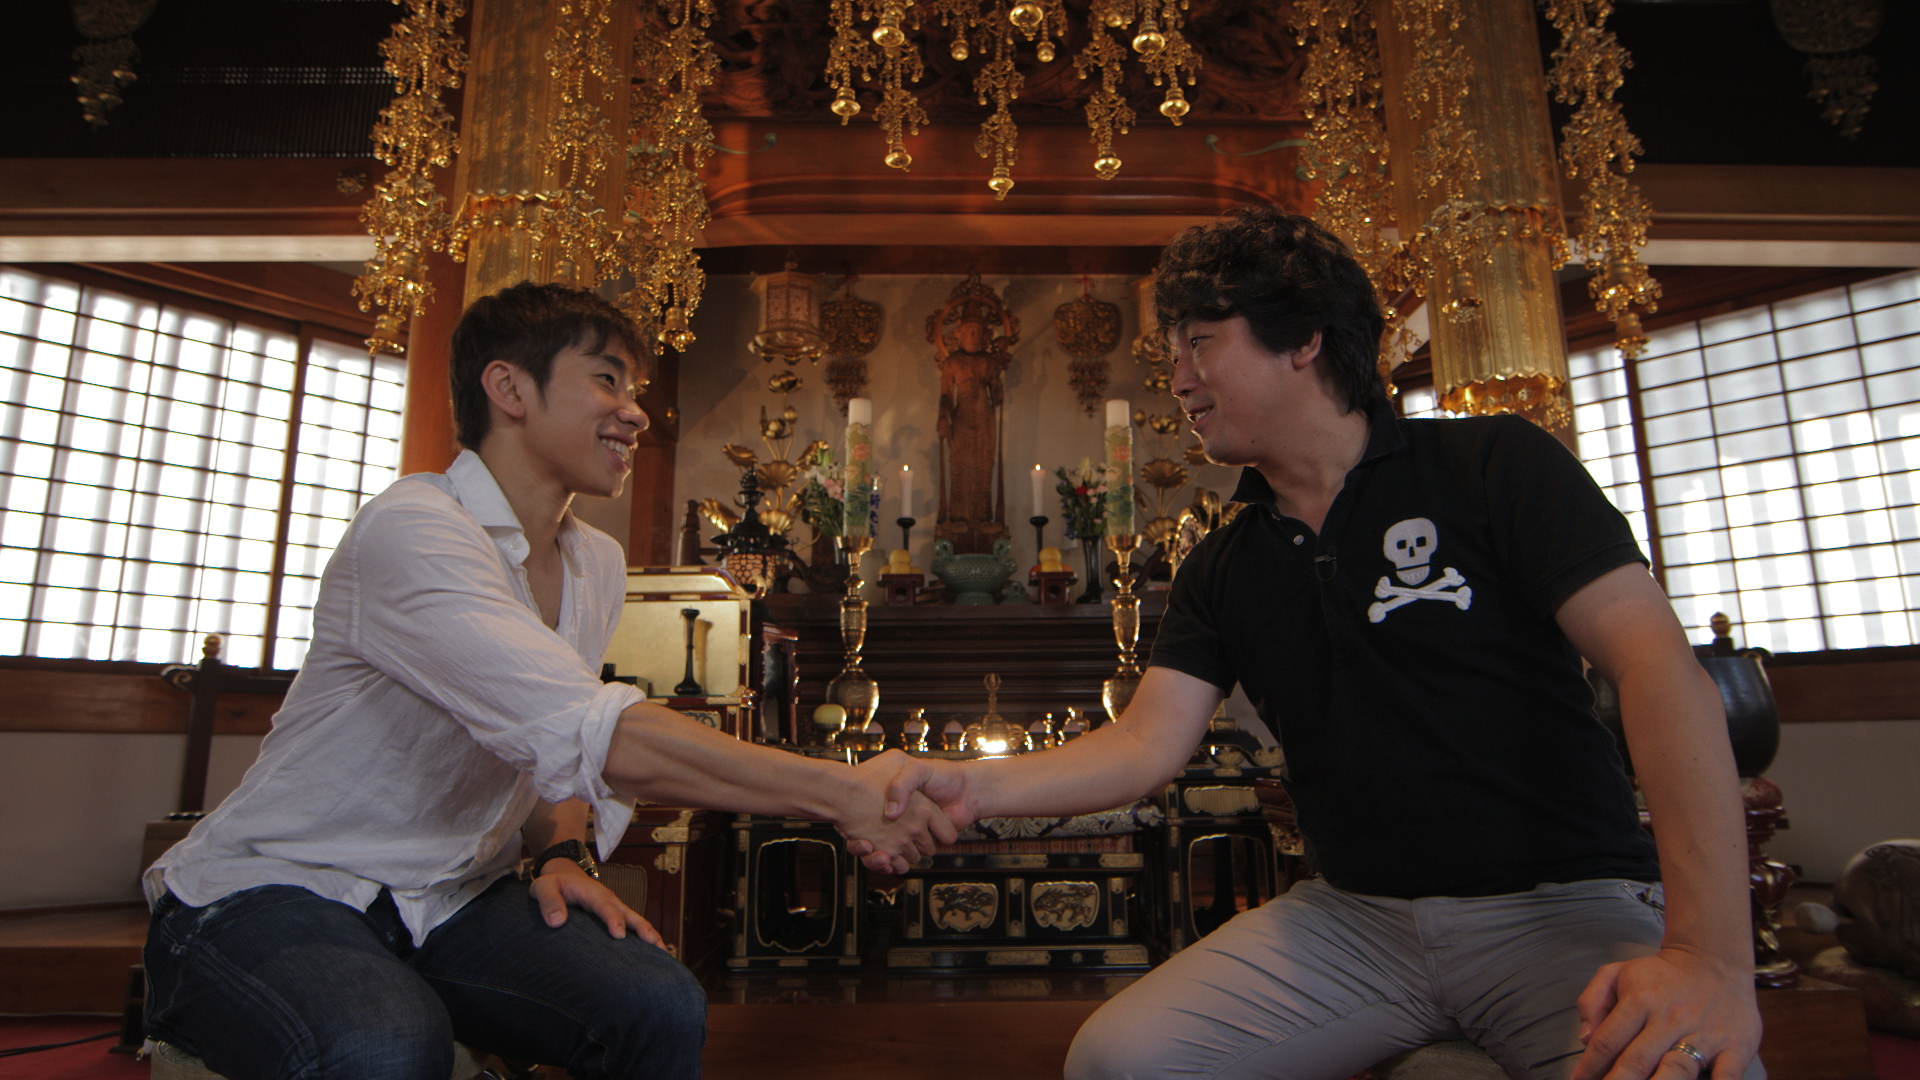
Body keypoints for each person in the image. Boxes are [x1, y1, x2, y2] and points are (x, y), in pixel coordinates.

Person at [871, 209, 1763, 1080]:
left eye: (1199, 343)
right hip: (1354, 921)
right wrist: (971, 786)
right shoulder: (1223, 563)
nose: (1177, 379)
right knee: (1119, 1061)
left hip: (1561, 906)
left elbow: (1656, 667)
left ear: (1302, 338)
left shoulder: (1496, 466)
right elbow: (1142, 745)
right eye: (1172, 353)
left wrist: (1707, 956)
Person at [143, 282, 951, 1080]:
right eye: (607, 380)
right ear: (509, 389)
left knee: (656, 1003)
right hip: (279, 888)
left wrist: (565, 854)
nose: (636, 412)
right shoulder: (414, 527)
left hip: (451, 899)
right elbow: (598, 731)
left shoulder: (594, 561)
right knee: (386, 1044)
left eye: (635, 389)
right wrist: (843, 792)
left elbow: (548, 748)